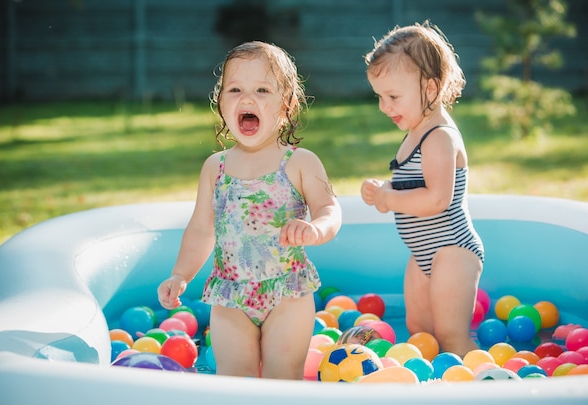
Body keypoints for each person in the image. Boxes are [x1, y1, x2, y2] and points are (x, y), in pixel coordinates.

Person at [157, 41, 342, 379]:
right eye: (235, 89)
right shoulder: (216, 168)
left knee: (281, 378)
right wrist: (180, 274)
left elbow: (330, 208)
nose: (247, 98)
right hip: (230, 297)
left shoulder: (299, 162)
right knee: (235, 380)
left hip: (287, 291)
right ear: (221, 102)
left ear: (285, 105)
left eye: (262, 90)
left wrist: (316, 228)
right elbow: (201, 228)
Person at [360, 21, 484, 356]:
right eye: (380, 97)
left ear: (430, 88)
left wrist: (389, 198)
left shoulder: (439, 137)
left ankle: (482, 384)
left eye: (393, 97)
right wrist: (384, 188)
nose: (385, 107)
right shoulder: (417, 131)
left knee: (450, 335)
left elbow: (438, 199)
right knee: (421, 333)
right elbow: (415, 183)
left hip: (451, 251)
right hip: (424, 253)